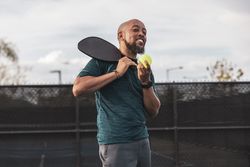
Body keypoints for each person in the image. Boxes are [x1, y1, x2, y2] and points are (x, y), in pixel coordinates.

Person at [72, 19, 161, 167]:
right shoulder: (102, 62)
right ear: (121, 35)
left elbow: (154, 110)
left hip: (142, 139)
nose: (141, 34)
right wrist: (117, 73)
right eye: (135, 29)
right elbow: (78, 88)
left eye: (144, 32)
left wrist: (146, 82)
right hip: (116, 142)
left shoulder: (144, 69)